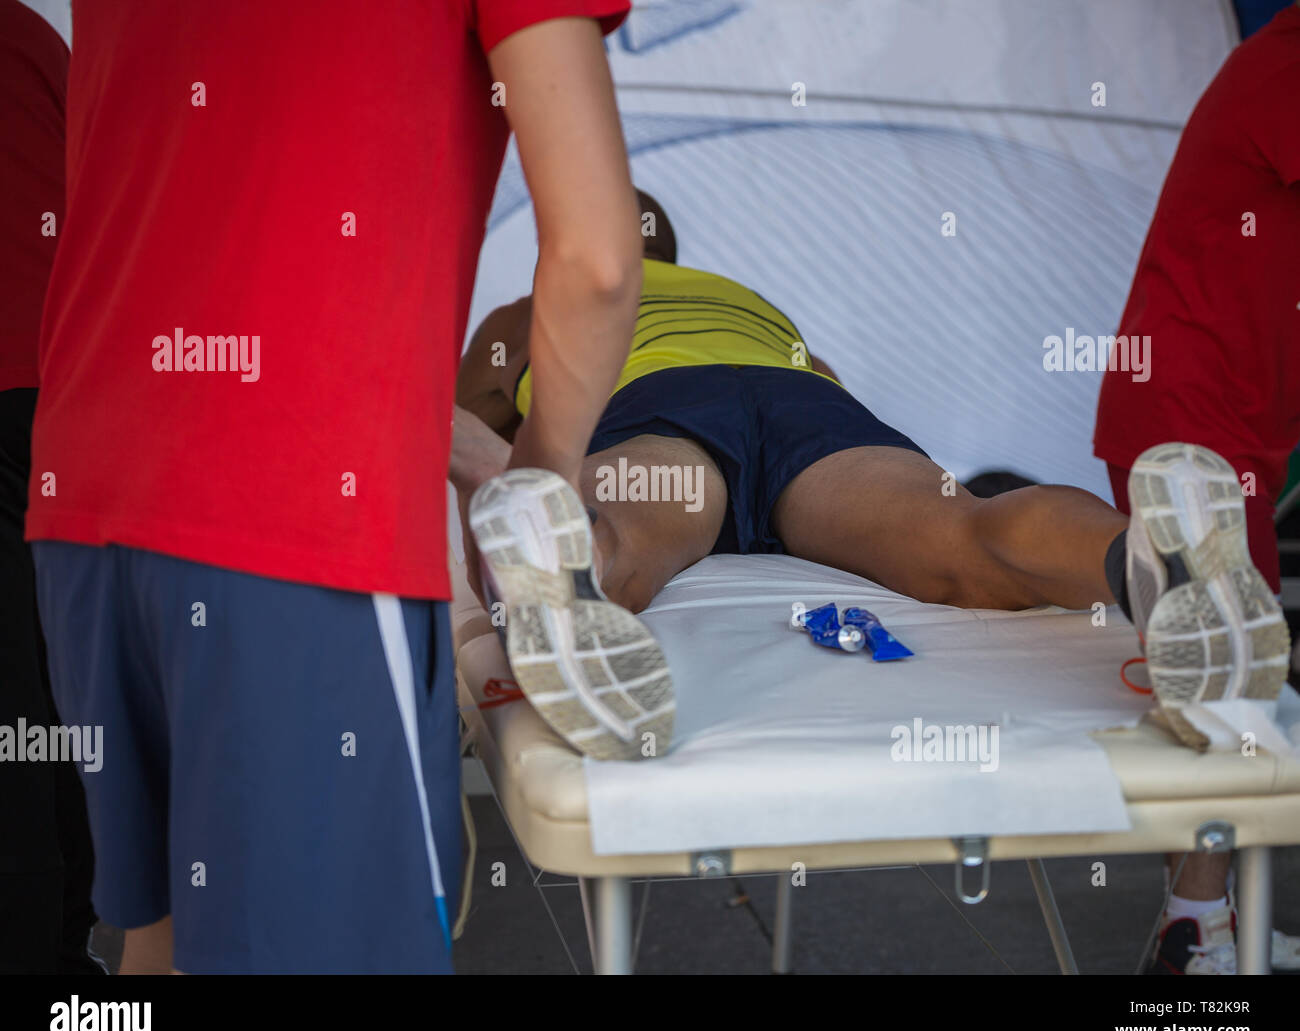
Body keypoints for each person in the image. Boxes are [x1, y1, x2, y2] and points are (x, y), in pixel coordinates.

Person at [458, 190, 1295, 971]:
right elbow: (823, 376)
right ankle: (1140, 554)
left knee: (633, 529)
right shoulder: (747, 301)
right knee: (963, 533)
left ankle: (577, 562)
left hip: (659, 396)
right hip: (801, 401)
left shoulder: (533, 308)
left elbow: (457, 429)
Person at [28, 0, 641, 974]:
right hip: (292, 523)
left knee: (162, 942)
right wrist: (538, 489)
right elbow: (600, 260)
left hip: (86, 490)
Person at [1094, 2, 1300, 974]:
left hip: (1214, 412)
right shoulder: (1285, 62)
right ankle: (1195, 930)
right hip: (1191, 415)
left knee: (1226, 682)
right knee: (1230, 682)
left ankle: (1210, 922)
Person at [0, 0, 102, 976]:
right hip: (62, 396)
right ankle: (67, 939)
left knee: (13, 696)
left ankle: (35, 955)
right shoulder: (38, 41)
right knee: (52, 675)